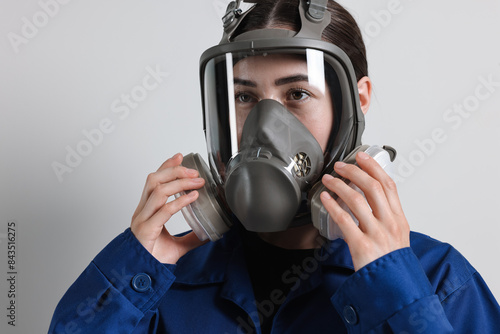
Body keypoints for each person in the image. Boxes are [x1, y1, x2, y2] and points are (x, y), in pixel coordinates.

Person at [49, 1, 500, 333]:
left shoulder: (437, 279)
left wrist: (394, 288)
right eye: (244, 97)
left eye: (297, 94)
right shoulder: (163, 281)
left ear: (357, 100)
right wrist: (133, 275)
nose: (265, 126)